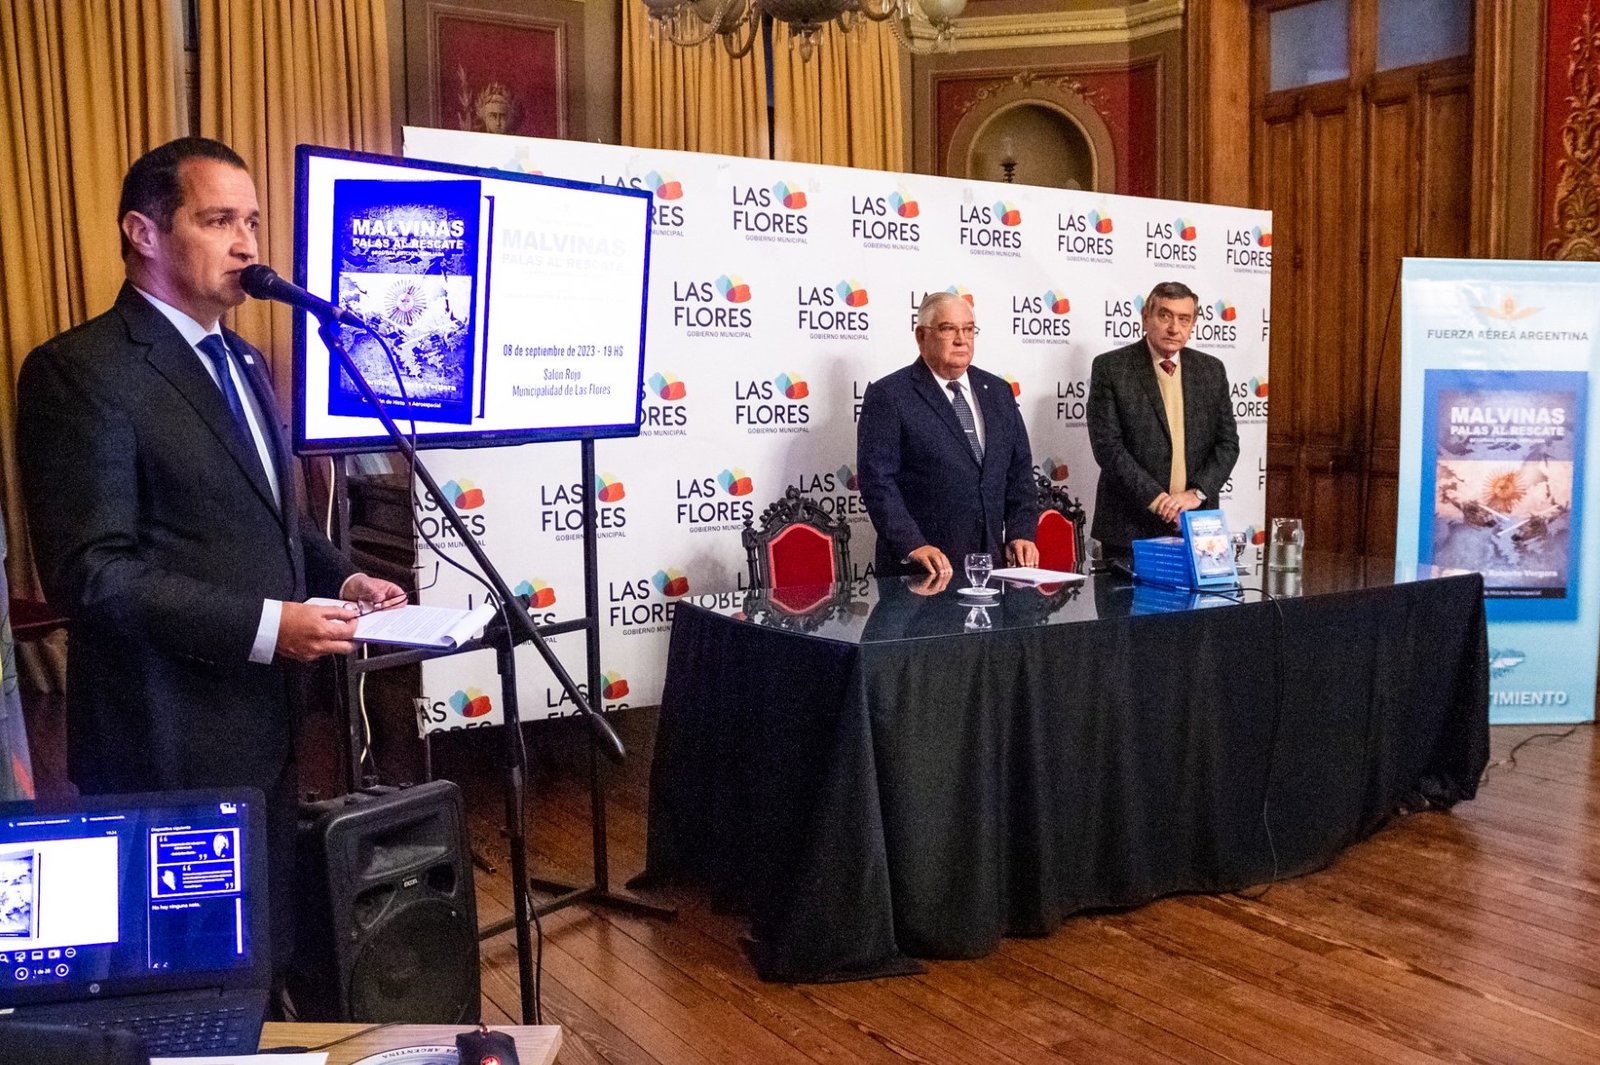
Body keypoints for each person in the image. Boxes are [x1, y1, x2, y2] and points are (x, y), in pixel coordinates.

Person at [15, 137, 405, 974]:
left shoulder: (245, 360)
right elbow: (92, 572)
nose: (246, 244)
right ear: (144, 233)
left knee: (262, 949)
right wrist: (270, 626)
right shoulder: (79, 371)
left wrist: (342, 573)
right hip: (163, 735)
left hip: (267, 720)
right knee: (185, 971)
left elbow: (270, 518)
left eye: (253, 222)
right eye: (219, 220)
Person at [857, 291, 1040, 578]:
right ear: (921, 336)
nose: (961, 339)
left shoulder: (998, 391)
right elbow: (877, 482)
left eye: (968, 329)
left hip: (992, 566)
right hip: (923, 571)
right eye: (948, 329)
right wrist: (912, 545)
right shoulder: (890, 395)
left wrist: (1021, 532)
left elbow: (1020, 472)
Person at [1086, 280, 1240, 560]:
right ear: (1146, 317)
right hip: (1129, 527)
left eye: (1184, 319)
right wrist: (1158, 501)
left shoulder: (1211, 370)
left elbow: (1227, 444)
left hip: (1197, 524)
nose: (1174, 328)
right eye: (1165, 315)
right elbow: (1108, 447)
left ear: (1193, 325)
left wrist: (1197, 494)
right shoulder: (1111, 368)